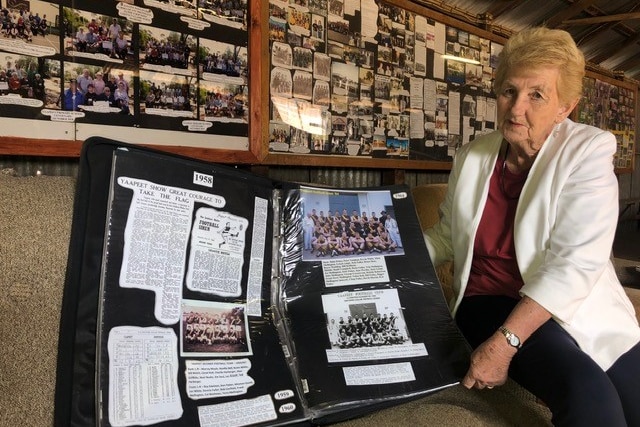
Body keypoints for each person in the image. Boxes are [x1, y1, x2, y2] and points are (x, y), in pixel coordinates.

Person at [423, 27, 640, 426]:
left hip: (576, 302)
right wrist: (384, 253)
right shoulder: (472, 156)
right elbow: (444, 236)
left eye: (536, 95)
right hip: (490, 301)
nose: (516, 108)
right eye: (509, 91)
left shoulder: (587, 151)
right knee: (591, 400)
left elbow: (575, 265)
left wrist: (504, 347)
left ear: (565, 107)